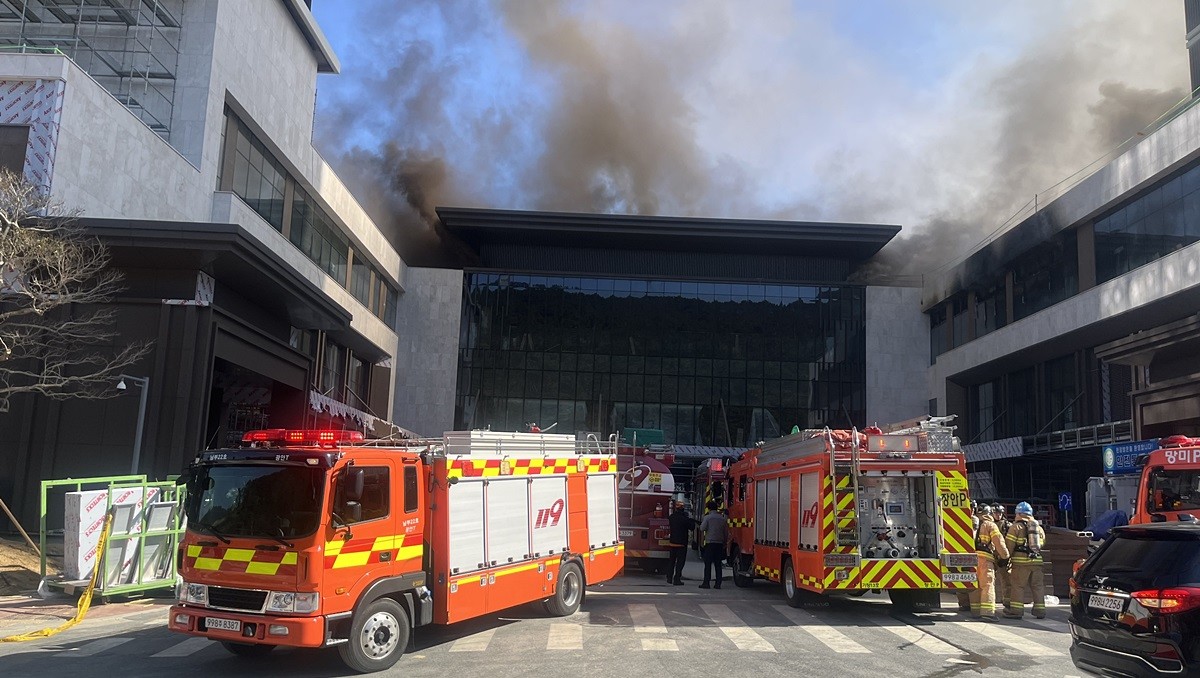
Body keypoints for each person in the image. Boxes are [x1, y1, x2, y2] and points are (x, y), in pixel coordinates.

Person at [1004, 501, 1047, 620]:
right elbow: (1042, 544)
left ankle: (1016, 611)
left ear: (1018, 513)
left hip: (1021, 563)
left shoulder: (1015, 527)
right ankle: (1040, 611)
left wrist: (1005, 558)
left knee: (1018, 586)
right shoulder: (1038, 528)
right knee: (1037, 586)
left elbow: (1009, 545)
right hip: (1037, 562)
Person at [970, 504, 1010, 621]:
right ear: (989, 513)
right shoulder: (990, 525)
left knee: (975, 585)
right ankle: (987, 613)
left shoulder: (971, 523)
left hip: (971, 559)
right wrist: (1005, 556)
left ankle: (976, 611)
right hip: (985, 559)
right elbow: (999, 542)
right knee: (987, 585)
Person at [698, 501, 729, 589]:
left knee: (708, 564)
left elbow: (702, 528)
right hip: (719, 544)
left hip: (710, 543)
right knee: (718, 565)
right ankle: (718, 584)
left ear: (709, 508)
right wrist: (724, 543)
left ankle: (706, 583)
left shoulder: (707, 518)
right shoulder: (722, 519)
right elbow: (726, 533)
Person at [958, 500, 981, 613]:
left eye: (972, 507)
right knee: (961, 577)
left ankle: (970, 604)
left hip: (971, 551)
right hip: (962, 550)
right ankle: (964, 604)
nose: (970, 509)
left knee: (969, 579)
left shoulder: (974, 519)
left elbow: (973, 535)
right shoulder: (960, 517)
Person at [666, 500, 694, 585]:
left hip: (672, 543)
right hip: (681, 544)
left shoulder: (671, 517)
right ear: (683, 509)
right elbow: (692, 527)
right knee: (680, 563)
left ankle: (669, 578)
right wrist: (690, 519)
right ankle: (677, 579)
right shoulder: (684, 519)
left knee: (671, 561)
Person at [991, 504, 1013, 610]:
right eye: (995, 513)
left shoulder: (1007, 525)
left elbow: (1009, 541)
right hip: (990, 555)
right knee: (989, 579)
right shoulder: (988, 525)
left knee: (1006, 579)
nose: (998, 515)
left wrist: (1006, 556)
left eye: (999, 513)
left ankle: (1007, 600)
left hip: (1002, 556)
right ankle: (990, 601)